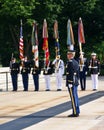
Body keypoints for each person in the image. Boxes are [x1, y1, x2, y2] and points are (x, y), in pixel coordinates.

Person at [66, 50, 80, 117]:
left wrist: (70, 82)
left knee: (73, 97)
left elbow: (71, 73)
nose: (67, 55)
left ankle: (75, 112)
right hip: (75, 81)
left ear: (71, 55)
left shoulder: (70, 62)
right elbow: (77, 73)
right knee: (76, 97)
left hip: (72, 82)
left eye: (68, 54)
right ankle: (77, 111)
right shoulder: (76, 62)